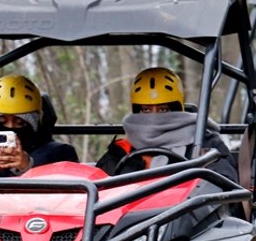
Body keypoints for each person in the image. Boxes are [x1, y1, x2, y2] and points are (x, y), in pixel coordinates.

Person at [96, 67, 237, 182]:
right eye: (146, 110)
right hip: (129, 209)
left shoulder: (204, 144)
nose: (154, 117)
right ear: (136, 111)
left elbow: (224, 186)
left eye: (163, 110)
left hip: (185, 208)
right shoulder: (120, 152)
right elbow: (96, 191)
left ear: (177, 108)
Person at [0, 74, 79, 178]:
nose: (10, 127)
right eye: (2, 121)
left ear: (35, 121)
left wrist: (30, 168)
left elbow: (71, 195)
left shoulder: (60, 154)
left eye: (20, 122)